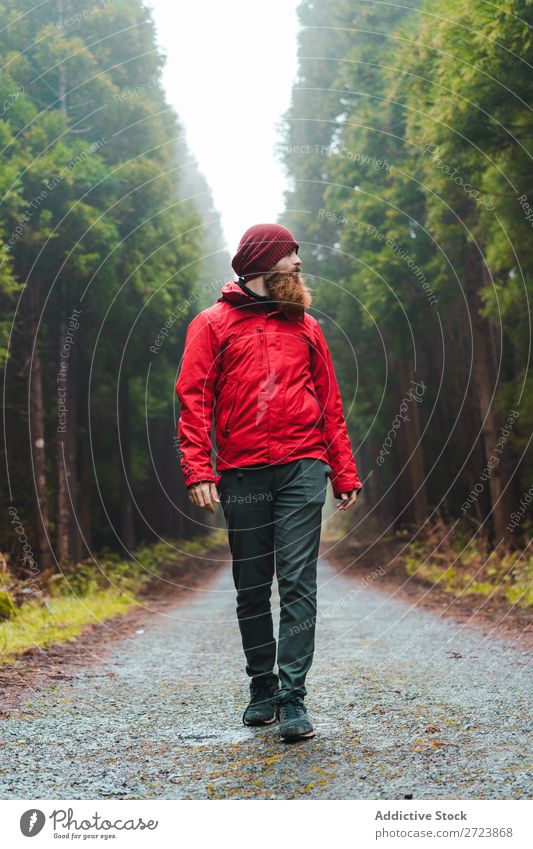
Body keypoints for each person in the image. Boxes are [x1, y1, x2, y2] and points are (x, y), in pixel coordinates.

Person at [175, 223, 362, 742]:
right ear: (262, 264)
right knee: (253, 585)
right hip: (242, 472)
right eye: (289, 255)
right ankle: (261, 686)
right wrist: (198, 468)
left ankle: (293, 696)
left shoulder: (305, 325)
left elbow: (330, 402)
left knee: (299, 580)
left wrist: (342, 470)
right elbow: (193, 398)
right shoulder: (211, 325)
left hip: (304, 467)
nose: (299, 263)